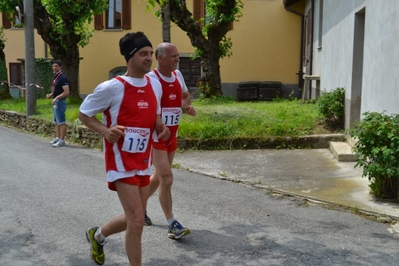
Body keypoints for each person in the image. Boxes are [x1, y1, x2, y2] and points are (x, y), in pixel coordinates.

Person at [78, 32, 169, 266]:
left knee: (133, 218)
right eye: (143, 54)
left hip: (142, 161)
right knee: (138, 220)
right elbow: (84, 113)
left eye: (150, 54)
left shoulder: (155, 84)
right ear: (130, 57)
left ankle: (97, 235)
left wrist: (161, 128)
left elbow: (155, 118)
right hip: (120, 162)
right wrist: (106, 131)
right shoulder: (112, 87)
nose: (149, 58)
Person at [145, 43, 196, 240]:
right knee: (166, 178)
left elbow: (184, 95)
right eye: (173, 56)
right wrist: (160, 126)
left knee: (158, 178)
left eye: (178, 56)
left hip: (172, 135)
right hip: (156, 137)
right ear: (161, 58)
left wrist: (187, 106)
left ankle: (139, 208)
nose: (177, 59)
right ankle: (171, 223)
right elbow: (149, 108)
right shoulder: (151, 79)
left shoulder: (178, 75)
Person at [46, 60, 69, 147]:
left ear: (60, 67)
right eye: (53, 66)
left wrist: (56, 98)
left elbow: (66, 92)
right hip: (56, 102)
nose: (54, 67)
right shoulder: (56, 77)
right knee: (56, 121)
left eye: (56, 66)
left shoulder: (62, 78)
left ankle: (62, 140)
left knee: (61, 122)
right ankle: (58, 138)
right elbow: (58, 90)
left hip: (60, 102)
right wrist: (51, 94)